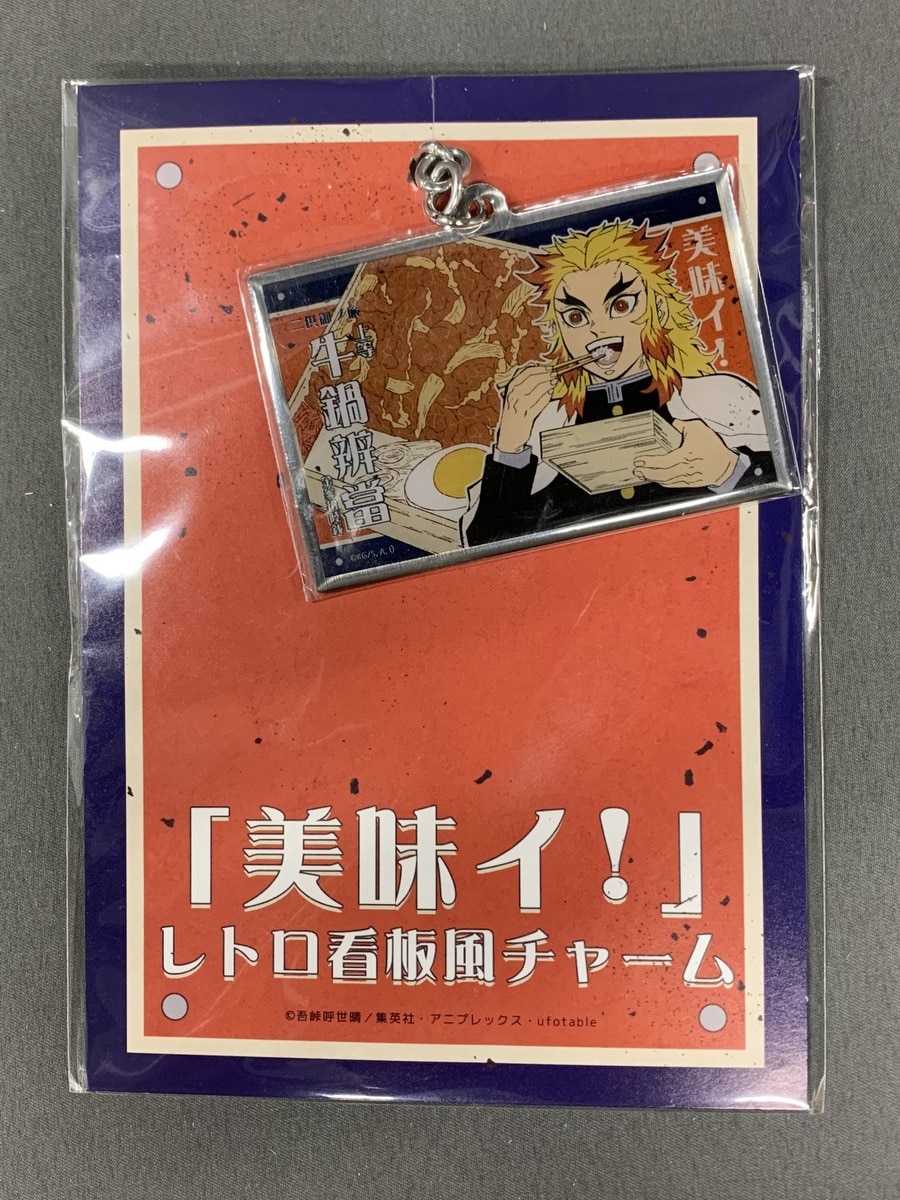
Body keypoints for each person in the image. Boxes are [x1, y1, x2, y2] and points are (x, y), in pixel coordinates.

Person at [462, 218, 774, 547]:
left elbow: (782, 505)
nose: (597, 329)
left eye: (621, 305)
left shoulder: (720, 398)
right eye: (576, 317)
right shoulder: (544, 425)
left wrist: (730, 470)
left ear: (658, 309)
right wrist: (510, 443)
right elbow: (488, 544)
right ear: (559, 331)